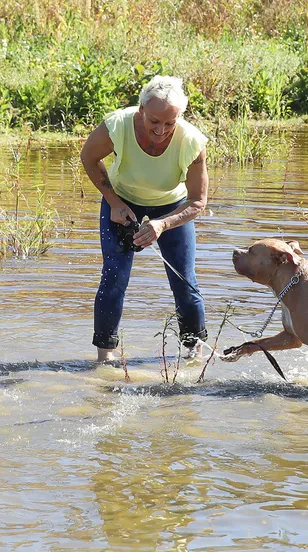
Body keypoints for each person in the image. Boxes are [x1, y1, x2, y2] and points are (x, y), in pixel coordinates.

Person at [80, 75, 209, 363]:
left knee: (185, 281)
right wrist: (114, 202)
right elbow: (89, 157)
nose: (161, 130)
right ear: (141, 110)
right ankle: (105, 357)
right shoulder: (118, 125)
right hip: (121, 201)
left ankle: (193, 354)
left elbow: (198, 200)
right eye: (154, 121)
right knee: (114, 278)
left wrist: (163, 224)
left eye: (169, 123)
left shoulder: (191, 141)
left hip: (172, 208)